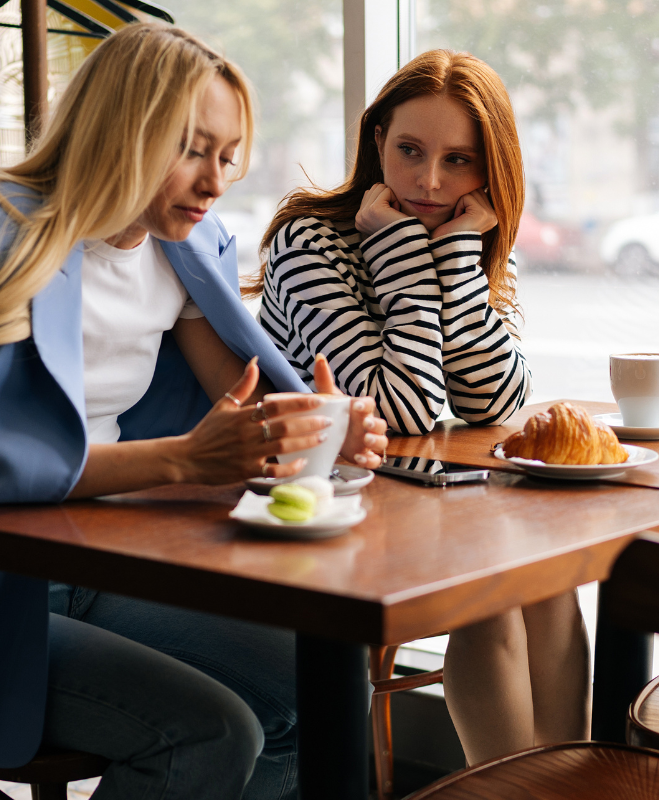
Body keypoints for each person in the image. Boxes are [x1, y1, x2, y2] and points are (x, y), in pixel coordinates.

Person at [0, 23, 386, 800]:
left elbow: (246, 393)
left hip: (106, 564)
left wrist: (324, 427)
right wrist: (184, 459)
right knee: (213, 731)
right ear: (125, 128)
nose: (214, 180)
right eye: (192, 148)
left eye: (228, 157)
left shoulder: (185, 247)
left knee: (326, 692)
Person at [252, 50, 590, 764]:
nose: (430, 181)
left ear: (488, 168)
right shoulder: (309, 240)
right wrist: (403, 248)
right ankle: (506, 791)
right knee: (491, 592)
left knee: (550, 581)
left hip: (416, 498)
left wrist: (457, 255)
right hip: (317, 505)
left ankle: (564, 787)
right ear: (378, 141)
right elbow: (403, 410)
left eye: (459, 161)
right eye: (409, 150)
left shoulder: (465, 234)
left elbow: (495, 400)